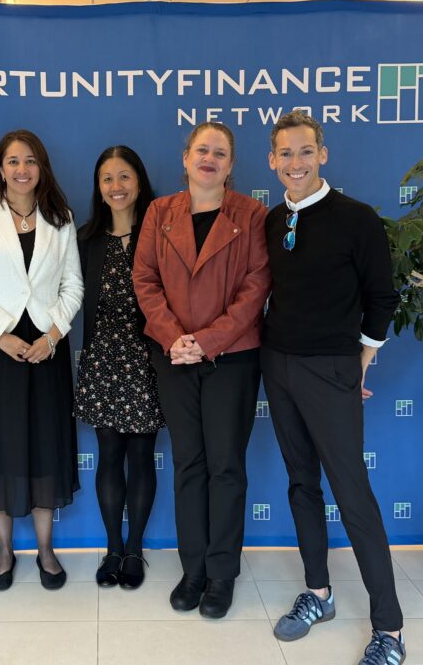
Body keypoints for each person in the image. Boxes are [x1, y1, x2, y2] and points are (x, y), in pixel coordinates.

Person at [263, 111, 405, 665]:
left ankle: (389, 629)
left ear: (323, 154)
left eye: (305, 151)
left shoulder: (357, 218)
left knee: (353, 496)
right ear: (272, 161)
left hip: (332, 369)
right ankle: (318, 593)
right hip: (278, 365)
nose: (295, 163)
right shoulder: (274, 220)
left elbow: (382, 296)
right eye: (285, 154)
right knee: (302, 484)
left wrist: (362, 360)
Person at [133, 121, 270, 618]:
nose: (209, 158)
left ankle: (222, 573)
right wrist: (176, 339)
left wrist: (207, 341)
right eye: (201, 150)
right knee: (189, 463)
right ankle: (193, 569)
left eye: (220, 152)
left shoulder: (252, 214)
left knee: (225, 466)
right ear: (185, 157)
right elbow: (144, 279)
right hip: (173, 358)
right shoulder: (158, 212)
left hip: (231, 358)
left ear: (231, 165)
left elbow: (256, 286)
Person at [0, 129, 84, 591]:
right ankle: (4, 551)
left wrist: (53, 334)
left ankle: (45, 550)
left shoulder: (60, 218)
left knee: (45, 445)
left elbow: (73, 287)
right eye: (12, 161)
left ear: (42, 167)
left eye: (30, 161)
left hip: (45, 351)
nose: (22, 169)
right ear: (0, 168)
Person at [75, 145, 164, 590]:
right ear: (99, 186)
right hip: (102, 360)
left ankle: (135, 550)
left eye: (124, 176)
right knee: (109, 455)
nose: (116, 187)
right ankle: (112, 548)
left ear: (140, 181)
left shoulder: (161, 232)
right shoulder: (86, 239)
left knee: (141, 456)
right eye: (107, 178)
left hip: (148, 360)